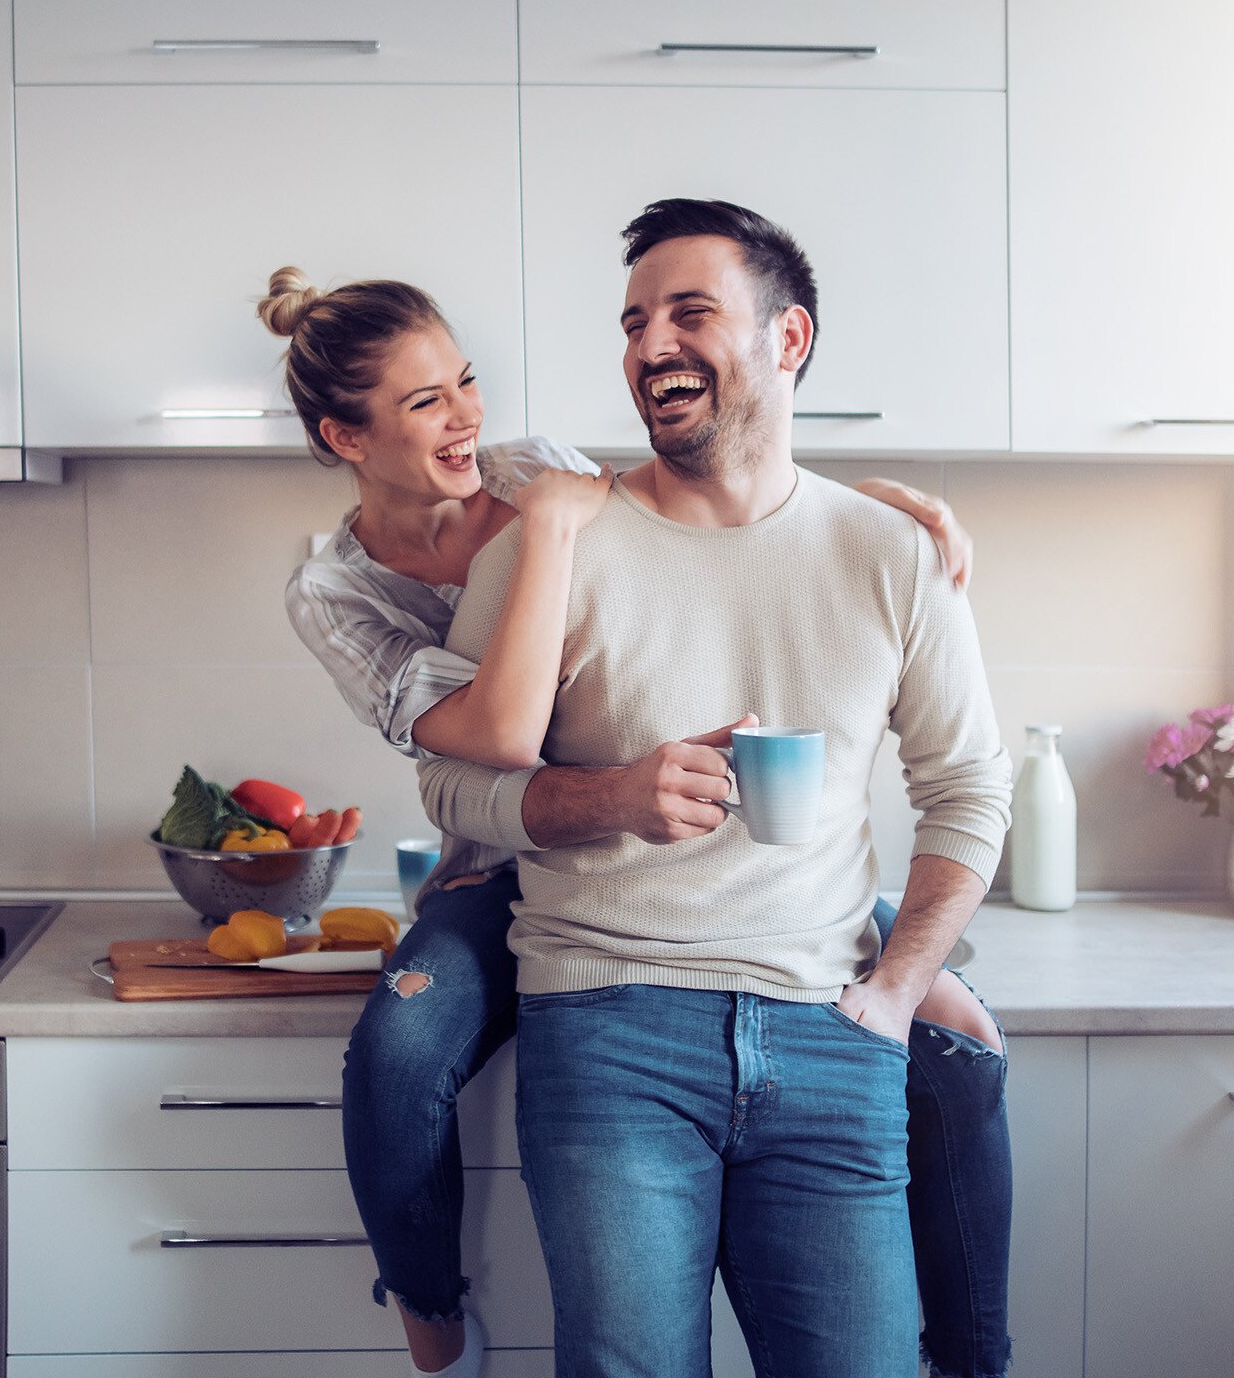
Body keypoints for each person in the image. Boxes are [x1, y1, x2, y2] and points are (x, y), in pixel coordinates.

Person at [267, 265, 1012, 1378]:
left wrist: (879, 521)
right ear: (347, 435)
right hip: (509, 866)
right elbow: (493, 745)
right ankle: (427, 1309)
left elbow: (721, 488)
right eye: (425, 403)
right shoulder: (345, 585)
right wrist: (557, 545)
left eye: (465, 383)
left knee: (961, 1039)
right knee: (401, 1043)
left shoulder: (533, 473)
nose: (465, 414)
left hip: (756, 930)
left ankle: (970, 1354)